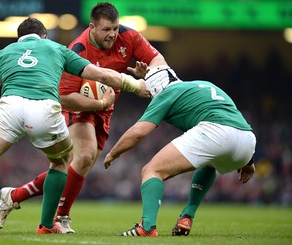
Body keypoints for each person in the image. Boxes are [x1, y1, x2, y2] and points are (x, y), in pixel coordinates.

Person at [0, 17, 149, 235]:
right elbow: (100, 74)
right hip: (45, 108)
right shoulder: (56, 48)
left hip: (9, 108)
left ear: (18, 38)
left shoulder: (1, 54)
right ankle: (47, 224)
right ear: (44, 36)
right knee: (61, 163)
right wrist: (137, 86)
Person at [0, 2, 167, 233]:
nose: (113, 34)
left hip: (105, 108)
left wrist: (150, 75)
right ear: (92, 27)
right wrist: (98, 103)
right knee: (84, 157)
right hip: (80, 107)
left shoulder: (129, 36)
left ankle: (14, 195)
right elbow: (64, 97)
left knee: (77, 167)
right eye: (106, 30)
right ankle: (60, 217)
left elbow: (158, 61)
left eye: (115, 28)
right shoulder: (78, 49)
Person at [103, 65, 257, 237]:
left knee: (151, 170)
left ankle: (147, 227)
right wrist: (249, 161)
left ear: (155, 89)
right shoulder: (201, 85)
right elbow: (233, 121)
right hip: (248, 141)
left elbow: (138, 133)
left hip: (216, 132)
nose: (149, 96)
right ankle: (187, 216)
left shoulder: (165, 94)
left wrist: (112, 153)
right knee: (208, 164)